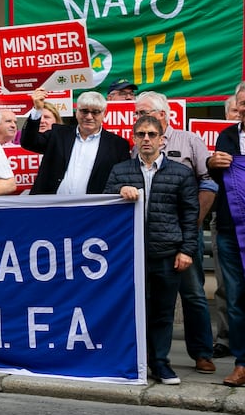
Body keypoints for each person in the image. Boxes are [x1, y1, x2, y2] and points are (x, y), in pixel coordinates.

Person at [105, 114, 198, 385]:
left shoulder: (180, 172)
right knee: (132, 309)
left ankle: (160, 363)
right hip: (129, 255)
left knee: (162, 311)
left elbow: (190, 215)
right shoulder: (120, 171)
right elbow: (104, 199)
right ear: (134, 139)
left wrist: (187, 250)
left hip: (166, 253)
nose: (146, 139)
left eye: (151, 134)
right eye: (141, 134)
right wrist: (119, 190)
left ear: (162, 139)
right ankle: (135, 362)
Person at [135, 90, 217, 374]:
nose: (139, 118)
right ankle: (154, 357)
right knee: (153, 299)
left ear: (163, 114)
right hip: (153, 239)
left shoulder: (189, 140)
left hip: (185, 234)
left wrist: (194, 227)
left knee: (193, 295)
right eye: (136, 114)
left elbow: (208, 184)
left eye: (144, 112)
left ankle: (202, 353)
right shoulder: (138, 145)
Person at [205, 82, 245, 387]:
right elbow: (217, 178)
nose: (244, 107)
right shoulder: (227, 136)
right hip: (231, 231)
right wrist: (212, 163)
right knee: (235, 299)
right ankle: (242, 363)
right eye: (241, 103)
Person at [20, 88, 130, 195]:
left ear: (104, 114)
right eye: (84, 111)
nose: (89, 116)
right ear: (76, 111)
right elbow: (29, 142)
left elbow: (122, 178)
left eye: (95, 112)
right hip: (50, 206)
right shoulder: (57, 133)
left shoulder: (118, 145)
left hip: (92, 209)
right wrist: (37, 109)